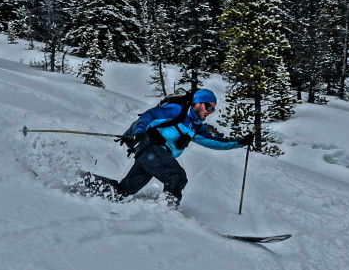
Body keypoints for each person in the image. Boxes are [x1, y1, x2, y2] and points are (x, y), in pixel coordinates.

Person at [100, 88, 253, 205]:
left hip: (152, 157)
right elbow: (150, 115)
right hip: (149, 148)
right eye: (209, 107)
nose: (210, 112)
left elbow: (214, 142)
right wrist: (140, 131)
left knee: (122, 192)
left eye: (212, 109)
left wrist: (240, 142)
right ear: (198, 103)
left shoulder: (196, 127)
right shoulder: (177, 110)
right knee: (176, 176)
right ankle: (168, 213)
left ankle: (85, 180)